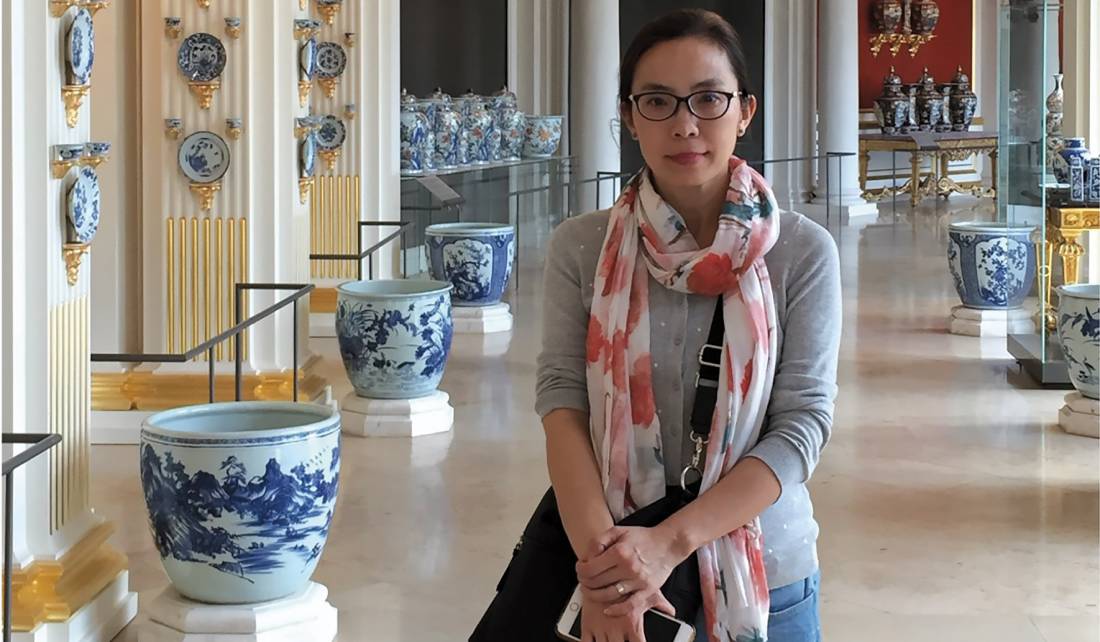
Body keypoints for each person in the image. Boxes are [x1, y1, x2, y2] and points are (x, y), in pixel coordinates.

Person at [534, 9, 840, 642]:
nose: (684, 124)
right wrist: (609, 573)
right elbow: (563, 402)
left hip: (765, 577)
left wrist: (667, 545)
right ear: (628, 115)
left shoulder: (802, 253)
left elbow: (802, 425)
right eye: (657, 101)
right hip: (613, 567)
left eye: (708, 98)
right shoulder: (581, 248)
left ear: (744, 110)